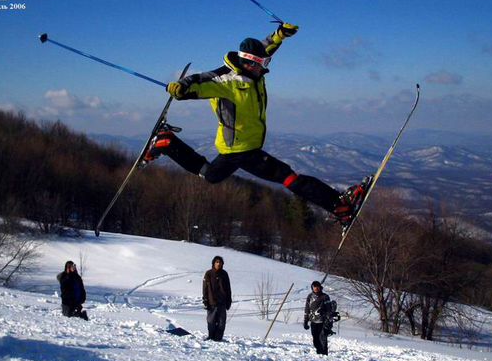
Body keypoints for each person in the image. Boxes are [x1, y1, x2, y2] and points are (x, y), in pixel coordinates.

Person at [144, 23, 370, 224]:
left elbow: (266, 48)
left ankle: (166, 142)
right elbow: (199, 81)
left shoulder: (254, 73)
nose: (265, 67)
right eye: (260, 63)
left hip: (240, 147)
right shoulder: (225, 81)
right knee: (288, 177)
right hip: (241, 149)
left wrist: (279, 35)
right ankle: (339, 205)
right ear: (248, 63)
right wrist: (181, 87)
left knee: (211, 175)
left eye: (265, 62)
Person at [202, 255, 232, 341]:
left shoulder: (224, 274)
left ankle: (218, 338)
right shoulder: (208, 273)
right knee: (211, 321)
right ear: (213, 263)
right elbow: (205, 288)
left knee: (221, 323)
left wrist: (229, 301)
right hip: (211, 302)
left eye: (220, 262)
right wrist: (205, 300)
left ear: (222, 264)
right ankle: (211, 337)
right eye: (217, 262)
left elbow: (228, 288)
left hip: (222, 302)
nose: (218, 264)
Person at [303, 280, 333, 355]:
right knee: (315, 340)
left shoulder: (325, 297)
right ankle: (319, 354)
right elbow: (307, 309)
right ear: (312, 288)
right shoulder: (310, 296)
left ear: (320, 287)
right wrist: (305, 321)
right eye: (314, 287)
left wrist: (328, 319)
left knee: (323, 339)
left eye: (317, 287)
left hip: (323, 322)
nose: (316, 288)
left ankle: (324, 355)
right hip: (313, 321)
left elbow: (329, 309)